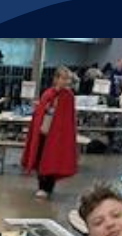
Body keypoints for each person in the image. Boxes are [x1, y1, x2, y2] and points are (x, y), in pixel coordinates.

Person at [21, 65, 79, 200]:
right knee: (41, 160)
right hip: (43, 132)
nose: (65, 82)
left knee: (53, 161)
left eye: (67, 79)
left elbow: (67, 120)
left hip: (57, 136)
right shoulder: (48, 93)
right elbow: (40, 112)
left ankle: (47, 187)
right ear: (56, 79)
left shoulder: (68, 97)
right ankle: (41, 186)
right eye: (63, 79)